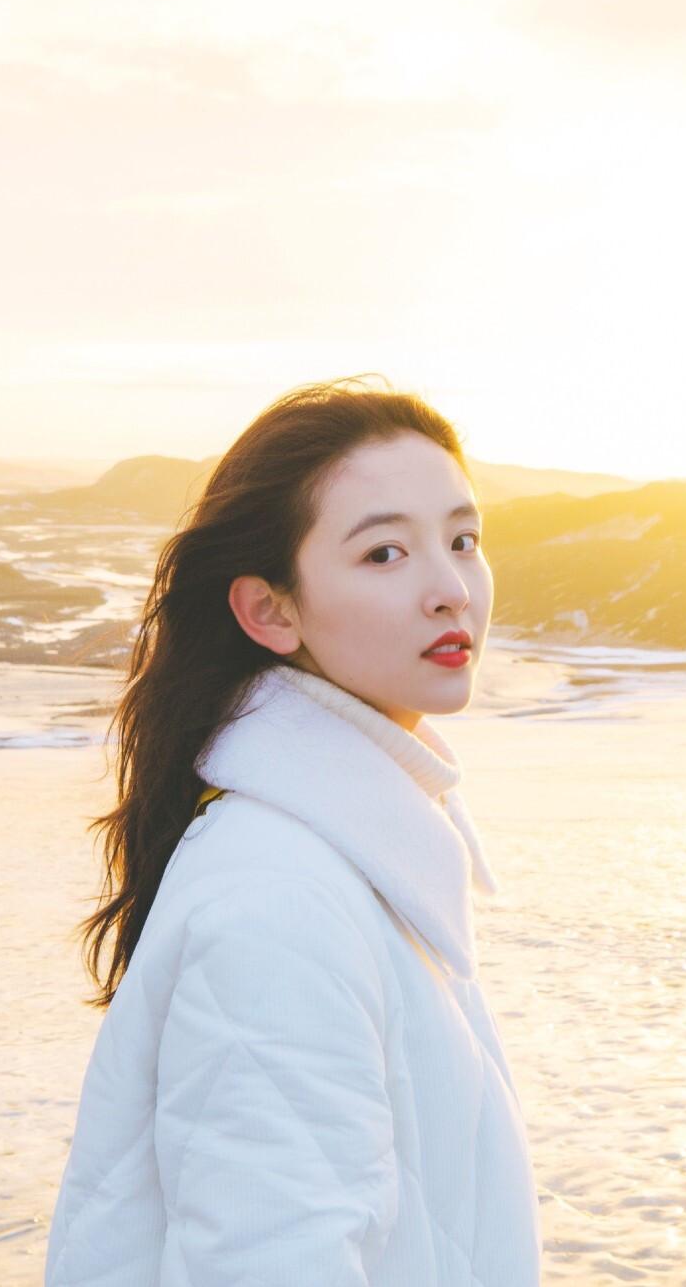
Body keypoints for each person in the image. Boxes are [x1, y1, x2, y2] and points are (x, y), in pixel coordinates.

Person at [44, 373, 544, 1286]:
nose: (451, 589)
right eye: (385, 553)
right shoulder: (278, 907)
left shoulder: (350, 859)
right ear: (270, 610)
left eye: (464, 540)